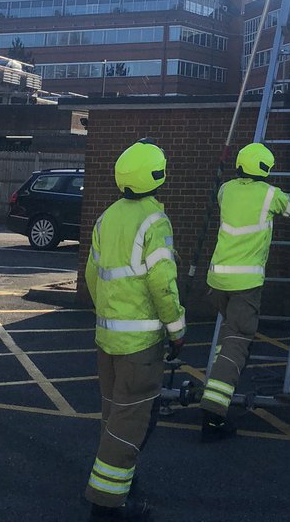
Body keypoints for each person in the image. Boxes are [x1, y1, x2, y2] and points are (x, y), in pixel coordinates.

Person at [84, 140, 186, 520]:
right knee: (131, 420)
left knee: (114, 415)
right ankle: (107, 503)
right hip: (140, 344)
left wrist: (109, 315)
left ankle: (117, 482)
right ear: (158, 176)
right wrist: (176, 329)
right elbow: (163, 284)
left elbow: (93, 277)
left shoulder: (106, 218)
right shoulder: (155, 222)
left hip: (107, 339)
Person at [199, 141, 290, 441]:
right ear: (266, 168)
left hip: (217, 282)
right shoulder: (269, 194)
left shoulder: (226, 190)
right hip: (245, 286)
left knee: (228, 338)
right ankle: (213, 413)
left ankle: (221, 372)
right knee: (236, 344)